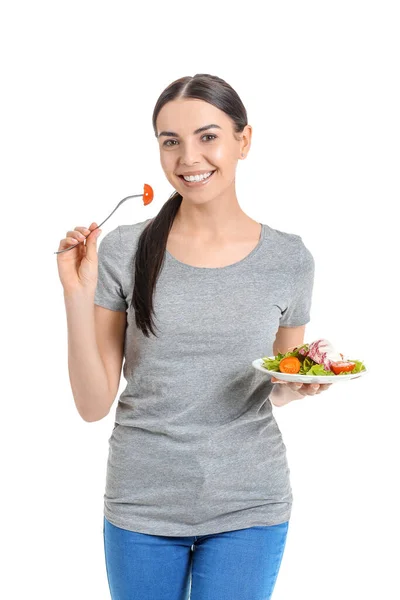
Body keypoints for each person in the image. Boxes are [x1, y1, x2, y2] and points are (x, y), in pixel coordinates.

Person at [56, 73, 331, 600]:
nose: (189, 158)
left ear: (243, 141)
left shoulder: (289, 259)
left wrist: (301, 386)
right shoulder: (124, 249)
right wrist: (76, 293)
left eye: (208, 137)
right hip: (142, 503)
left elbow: (277, 381)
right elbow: (92, 405)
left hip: (250, 503)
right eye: (170, 141)